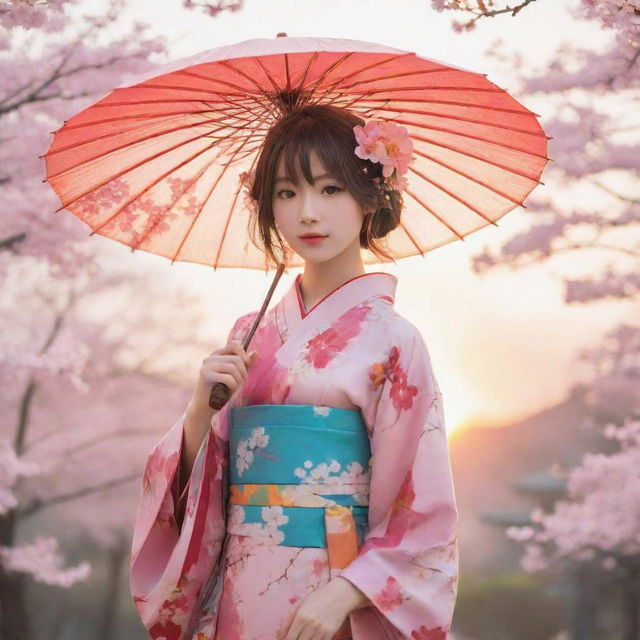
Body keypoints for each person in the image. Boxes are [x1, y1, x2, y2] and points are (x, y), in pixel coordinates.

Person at [129, 104, 459, 640]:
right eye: (286, 192)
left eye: (330, 189)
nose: (308, 212)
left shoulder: (396, 339)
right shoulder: (248, 331)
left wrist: (349, 590)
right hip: (239, 581)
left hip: (336, 588)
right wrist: (198, 414)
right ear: (269, 207)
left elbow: (421, 504)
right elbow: (204, 486)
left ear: (370, 195)